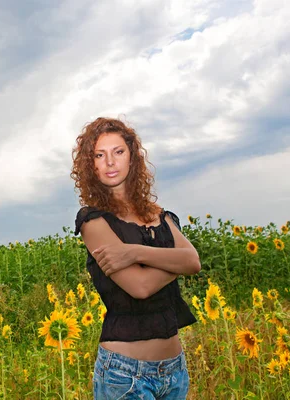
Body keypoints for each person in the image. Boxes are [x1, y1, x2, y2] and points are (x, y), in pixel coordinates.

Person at [71, 117, 201, 399]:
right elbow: (140, 287)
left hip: (175, 371)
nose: (110, 162)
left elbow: (194, 260)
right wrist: (173, 260)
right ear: (90, 164)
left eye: (118, 152)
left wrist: (135, 252)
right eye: (99, 155)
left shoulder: (159, 214)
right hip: (124, 374)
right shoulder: (93, 222)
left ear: (132, 157)